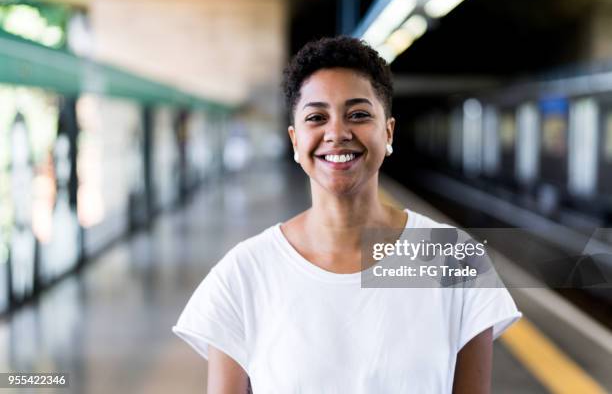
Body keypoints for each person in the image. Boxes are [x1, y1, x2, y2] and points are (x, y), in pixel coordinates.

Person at [172, 36, 522, 393]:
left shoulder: (454, 260)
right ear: (295, 140)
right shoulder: (243, 275)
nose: (337, 133)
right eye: (316, 117)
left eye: (358, 114)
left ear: (387, 132)